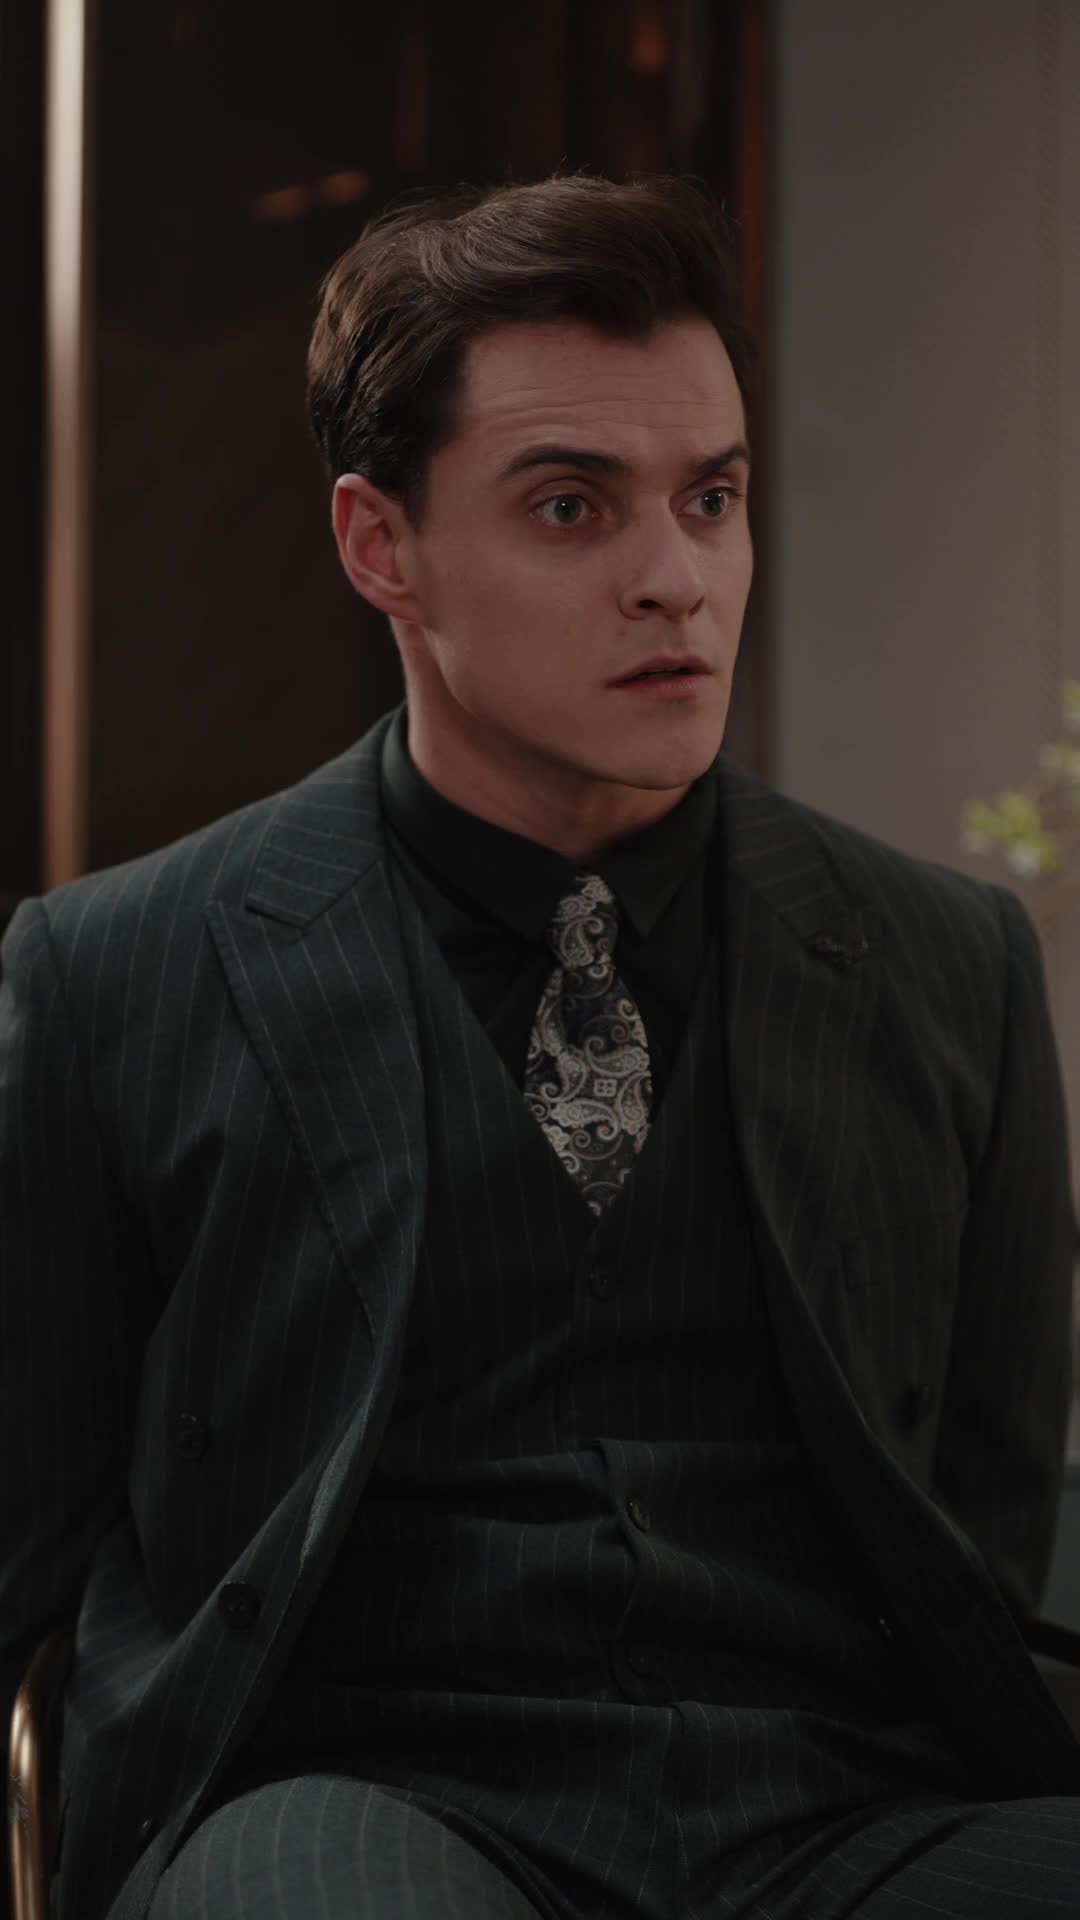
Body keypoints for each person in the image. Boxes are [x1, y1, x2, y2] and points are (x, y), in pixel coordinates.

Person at [1, 171, 1078, 1920]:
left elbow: (985, 1524)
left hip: (847, 1812)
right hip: (365, 1798)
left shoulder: (945, 966)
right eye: (572, 507)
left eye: (711, 498)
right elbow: (24, 1553)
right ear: (382, 547)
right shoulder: (118, 973)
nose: (678, 582)